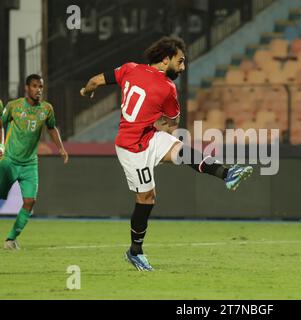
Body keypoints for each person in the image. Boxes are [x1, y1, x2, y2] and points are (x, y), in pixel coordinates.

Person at [80, 36, 253, 272]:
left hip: (148, 137)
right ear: (165, 60)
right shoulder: (167, 87)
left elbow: (95, 81)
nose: (182, 68)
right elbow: (172, 123)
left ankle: (228, 174)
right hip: (132, 148)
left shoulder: (129, 69)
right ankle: (135, 252)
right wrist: (161, 126)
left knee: (182, 151)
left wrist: (86, 90)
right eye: (180, 62)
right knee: (147, 199)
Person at [0, 74, 69, 250]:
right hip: (9, 161)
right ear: (26, 88)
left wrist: (60, 148)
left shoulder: (46, 109)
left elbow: (52, 128)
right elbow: (1, 123)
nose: (38, 90)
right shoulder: (13, 106)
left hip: (30, 164)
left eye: (40, 87)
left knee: (30, 202)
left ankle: (10, 239)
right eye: (35, 86)